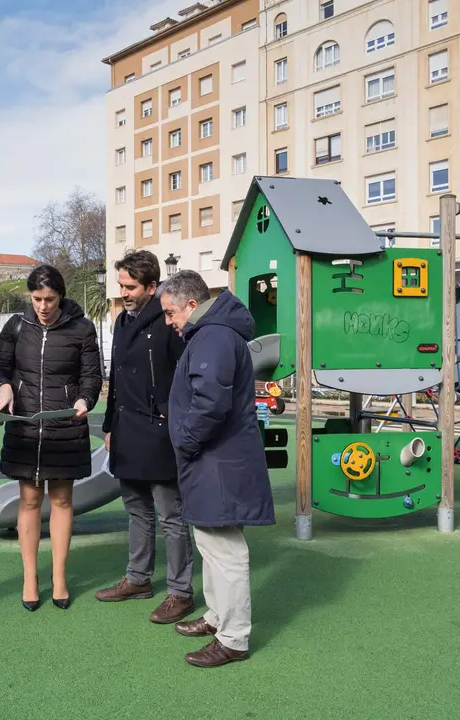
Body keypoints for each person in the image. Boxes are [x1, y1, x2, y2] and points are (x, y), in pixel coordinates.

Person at [158, 270, 275, 668]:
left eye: (171, 313)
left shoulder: (214, 335)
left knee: (224, 550)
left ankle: (234, 638)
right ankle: (216, 617)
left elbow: (210, 404)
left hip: (217, 459)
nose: (170, 322)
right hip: (215, 458)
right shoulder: (214, 333)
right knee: (211, 542)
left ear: (192, 305)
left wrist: (186, 442)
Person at [0, 265, 102, 611]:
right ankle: (30, 577)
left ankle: (60, 577)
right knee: (30, 500)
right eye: (37, 298)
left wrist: (85, 399)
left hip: (65, 427)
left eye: (50, 299)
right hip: (25, 428)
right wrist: (2, 386)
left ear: (61, 297)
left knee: (63, 500)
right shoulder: (16, 327)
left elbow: (91, 376)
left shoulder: (82, 328)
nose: (43, 306)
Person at [94, 250, 195, 625]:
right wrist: (108, 426)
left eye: (130, 286)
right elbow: (116, 380)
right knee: (136, 509)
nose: (123, 292)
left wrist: (172, 408)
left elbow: (188, 368)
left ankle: (180, 592)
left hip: (159, 431)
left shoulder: (168, 320)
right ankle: (137, 579)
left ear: (152, 287)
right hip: (126, 429)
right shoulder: (120, 322)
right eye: (120, 285)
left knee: (171, 515)